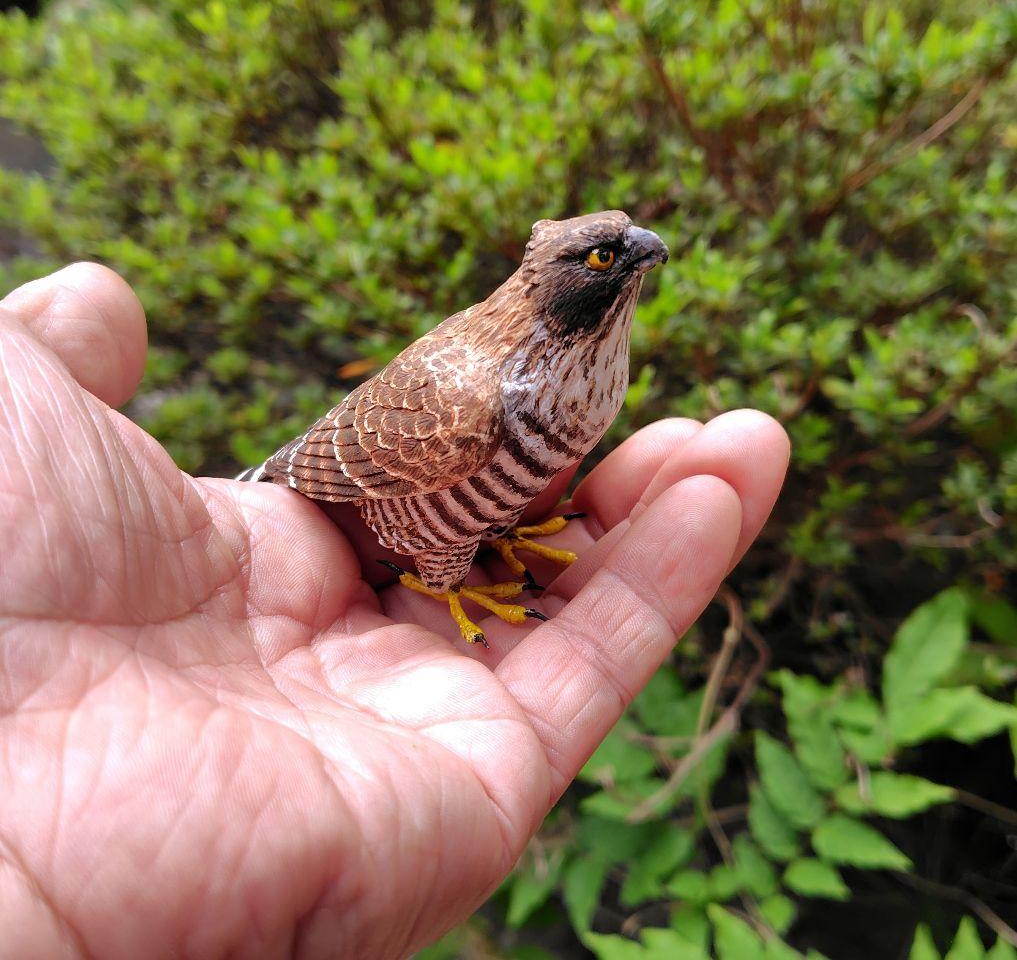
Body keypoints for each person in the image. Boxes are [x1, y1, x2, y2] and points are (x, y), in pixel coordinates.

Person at [0, 263, 789, 958]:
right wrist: (447, 573)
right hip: (378, 510)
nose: (631, 258)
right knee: (457, 528)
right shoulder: (482, 400)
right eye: (600, 257)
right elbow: (384, 487)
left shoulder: (577, 368)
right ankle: (454, 577)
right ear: (561, 282)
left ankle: (478, 547)